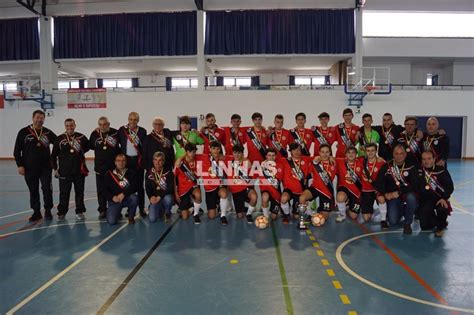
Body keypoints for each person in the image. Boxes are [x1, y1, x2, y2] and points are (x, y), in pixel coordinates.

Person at [14, 110, 57, 221]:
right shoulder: (24, 132)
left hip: (45, 168)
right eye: (37, 117)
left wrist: (54, 160)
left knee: (47, 189)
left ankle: (48, 211)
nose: (39, 120)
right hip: (29, 168)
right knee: (33, 190)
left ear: (44, 119)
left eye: (42, 118)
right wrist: (20, 165)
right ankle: (36, 212)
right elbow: (17, 151)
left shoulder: (47, 132)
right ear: (33, 118)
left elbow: (58, 143)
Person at [375, 144, 419, 234]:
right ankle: (406, 209)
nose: (399, 156)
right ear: (393, 154)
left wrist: (399, 192)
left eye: (401, 153)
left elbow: (415, 185)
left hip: (406, 194)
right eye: (396, 153)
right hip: (393, 198)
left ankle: (407, 223)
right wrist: (385, 194)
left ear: (405, 154)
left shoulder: (412, 166)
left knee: (412, 198)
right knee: (393, 221)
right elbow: (378, 183)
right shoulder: (386, 166)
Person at [51, 118, 89, 221]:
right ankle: (62, 212)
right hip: (64, 171)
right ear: (65, 126)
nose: (70, 127)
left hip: (79, 171)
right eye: (67, 126)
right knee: (64, 193)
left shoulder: (81, 137)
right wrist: (55, 169)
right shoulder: (59, 139)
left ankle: (79, 211)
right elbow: (53, 155)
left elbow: (88, 147)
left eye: (71, 125)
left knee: (80, 192)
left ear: (75, 125)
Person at [89, 116, 120, 219]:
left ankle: (116, 209)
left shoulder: (116, 133)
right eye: (100, 124)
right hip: (100, 168)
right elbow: (91, 146)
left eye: (105, 124)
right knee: (101, 190)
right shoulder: (94, 134)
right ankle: (102, 210)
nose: (103, 126)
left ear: (109, 124)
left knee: (114, 189)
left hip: (113, 168)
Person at [417, 150, 453, 237]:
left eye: (429, 158)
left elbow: (450, 187)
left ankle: (440, 227)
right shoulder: (419, 171)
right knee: (425, 226)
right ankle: (440, 221)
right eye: (424, 159)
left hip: (439, 199)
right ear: (421, 161)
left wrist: (444, 198)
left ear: (434, 159)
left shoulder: (442, 170)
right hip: (427, 199)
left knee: (442, 208)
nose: (426, 161)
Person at [119, 112, 147, 217]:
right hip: (126, 162)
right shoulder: (122, 130)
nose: (132, 121)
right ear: (128, 119)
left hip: (138, 161)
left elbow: (144, 147)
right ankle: (129, 208)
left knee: (140, 186)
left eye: (135, 119)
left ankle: (141, 208)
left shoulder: (142, 131)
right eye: (131, 119)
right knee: (127, 186)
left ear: (138, 120)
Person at [299, 144, 337, 221]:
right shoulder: (314, 162)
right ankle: (308, 214)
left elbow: (347, 159)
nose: (325, 154)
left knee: (323, 217)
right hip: (315, 188)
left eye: (327, 152)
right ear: (319, 152)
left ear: (330, 153)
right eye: (322, 152)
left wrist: (331, 157)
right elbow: (303, 159)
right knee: (302, 198)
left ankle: (316, 215)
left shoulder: (335, 162)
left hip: (327, 192)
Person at [199, 141, 230, 225]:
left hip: (220, 185)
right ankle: (218, 204)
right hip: (210, 188)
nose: (215, 151)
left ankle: (223, 216)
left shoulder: (224, 158)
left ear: (220, 149)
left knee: (223, 194)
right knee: (211, 216)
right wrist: (179, 159)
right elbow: (190, 154)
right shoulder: (204, 157)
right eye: (213, 149)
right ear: (210, 149)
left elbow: (237, 157)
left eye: (217, 149)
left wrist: (246, 159)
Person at [279, 143, 311, 223]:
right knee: (283, 199)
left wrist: (331, 157)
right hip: (289, 189)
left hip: (300, 191)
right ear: (290, 151)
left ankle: (295, 211)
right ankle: (286, 215)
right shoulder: (284, 161)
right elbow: (271, 160)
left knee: (296, 216)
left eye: (299, 150)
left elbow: (319, 158)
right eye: (294, 150)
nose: (296, 152)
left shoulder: (306, 159)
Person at [226, 144, 257, 223]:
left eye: (239, 153)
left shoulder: (247, 162)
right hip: (235, 191)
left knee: (254, 197)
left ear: (242, 154)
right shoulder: (228, 161)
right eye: (235, 152)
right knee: (240, 216)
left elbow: (252, 174)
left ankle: (249, 214)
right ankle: (244, 209)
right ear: (232, 153)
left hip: (245, 188)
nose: (237, 155)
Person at [359, 143, 388, 228]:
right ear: (365, 152)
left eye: (372, 150)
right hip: (366, 190)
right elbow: (347, 159)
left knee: (381, 199)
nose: (370, 153)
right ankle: (375, 211)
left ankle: (383, 220)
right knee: (366, 218)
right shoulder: (361, 161)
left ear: (376, 151)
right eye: (368, 151)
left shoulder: (382, 162)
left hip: (377, 189)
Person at [104, 154, 138, 225]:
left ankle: (131, 217)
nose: (121, 163)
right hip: (114, 201)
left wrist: (124, 194)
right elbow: (104, 190)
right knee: (111, 222)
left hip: (127, 199)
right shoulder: (109, 174)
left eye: (123, 161)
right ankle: (117, 212)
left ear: (126, 162)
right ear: (115, 162)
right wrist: (112, 197)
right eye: (118, 161)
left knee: (134, 197)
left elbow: (134, 187)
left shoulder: (131, 173)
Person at [174, 143, 203, 223]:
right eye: (190, 152)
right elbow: (173, 177)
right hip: (183, 188)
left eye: (194, 152)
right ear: (186, 152)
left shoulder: (198, 160)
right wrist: (175, 192)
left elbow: (199, 176)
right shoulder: (179, 163)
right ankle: (191, 208)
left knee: (198, 194)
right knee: (185, 217)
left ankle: (196, 214)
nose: (192, 154)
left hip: (193, 185)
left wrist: (196, 175)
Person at [335, 147, 364, 222]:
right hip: (345, 188)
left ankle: (347, 207)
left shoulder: (361, 162)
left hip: (357, 192)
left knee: (353, 216)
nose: (351, 154)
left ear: (356, 154)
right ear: (345, 154)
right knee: (340, 197)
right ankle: (342, 214)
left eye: (353, 152)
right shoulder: (340, 161)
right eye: (349, 152)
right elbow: (328, 157)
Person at [146, 152, 175, 224]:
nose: (157, 162)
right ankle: (160, 210)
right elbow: (147, 187)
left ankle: (167, 212)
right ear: (153, 161)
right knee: (152, 219)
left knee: (169, 198)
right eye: (155, 160)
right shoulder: (149, 173)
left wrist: (159, 196)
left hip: (165, 197)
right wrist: (151, 197)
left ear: (164, 161)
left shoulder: (169, 172)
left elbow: (170, 188)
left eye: (160, 160)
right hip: (155, 199)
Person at [256, 148, 283, 219]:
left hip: (276, 191)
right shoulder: (261, 166)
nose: (271, 157)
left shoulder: (280, 165)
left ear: (276, 156)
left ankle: (274, 211)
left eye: (273, 155)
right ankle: (265, 217)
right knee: (265, 197)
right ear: (266, 156)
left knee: (274, 217)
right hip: (266, 190)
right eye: (269, 155)